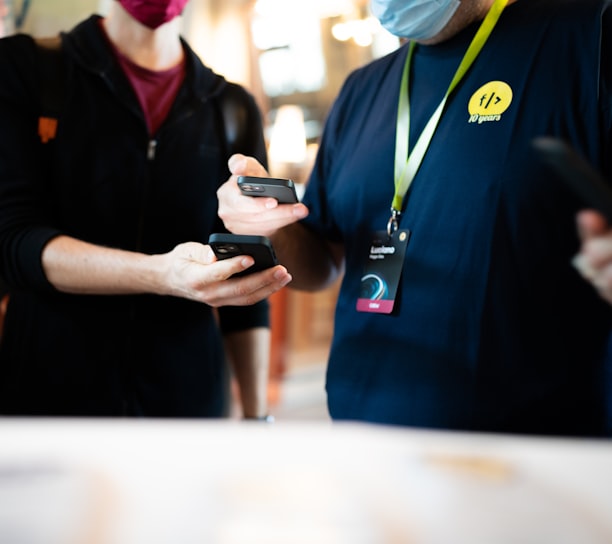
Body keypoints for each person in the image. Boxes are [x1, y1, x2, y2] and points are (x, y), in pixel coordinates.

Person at [218, 0, 612, 437]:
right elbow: (322, 265)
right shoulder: (361, 91)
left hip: (530, 451)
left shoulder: (589, 39)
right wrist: (272, 220)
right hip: (361, 435)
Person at [0, 0, 292, 418]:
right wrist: (163, 274)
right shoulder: (25, 70)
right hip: (50, 399)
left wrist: (256, 417)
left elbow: (244, 275)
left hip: (185, 406)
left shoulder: (230, 107)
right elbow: (13, 242)